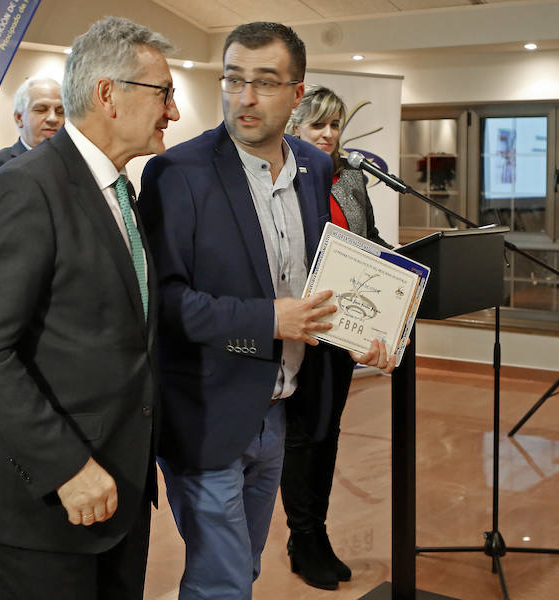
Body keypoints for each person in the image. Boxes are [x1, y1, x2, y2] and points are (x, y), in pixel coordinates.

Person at [139, 22, 394, 599]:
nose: (245, 98)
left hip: (280, 411)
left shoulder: (315, 167)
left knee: (242, 569)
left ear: (297, 94)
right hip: (205, 413)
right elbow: (165, 303)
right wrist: (267, 320)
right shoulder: (178, 174)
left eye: (264, 83)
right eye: (234, 80)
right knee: (224, 581)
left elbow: (321, 280)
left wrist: (358, 330)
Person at [0, 16, 179, 600]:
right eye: (164, 94)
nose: (172, 112)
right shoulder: (25, 188)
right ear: (108, 95)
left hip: (118, 496)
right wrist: (68, 468)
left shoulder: (123, 191)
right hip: (45, 505)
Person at [278, 84, 394, 590]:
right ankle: (302, 538)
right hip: (300, 332)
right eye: (317, 125)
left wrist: (406, 266)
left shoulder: (350, 178)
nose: (328, 134)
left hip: (344, 335)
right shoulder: (283, 177)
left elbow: (368, 245)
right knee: (302, 439)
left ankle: (316, 534)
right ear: (294, 128)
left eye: (334, 125)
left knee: (327, 434)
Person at [0, 76, 64, 212]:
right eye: (41, 110)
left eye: (60, 112)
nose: (53, 118)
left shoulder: (78, 166)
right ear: (19, 118)